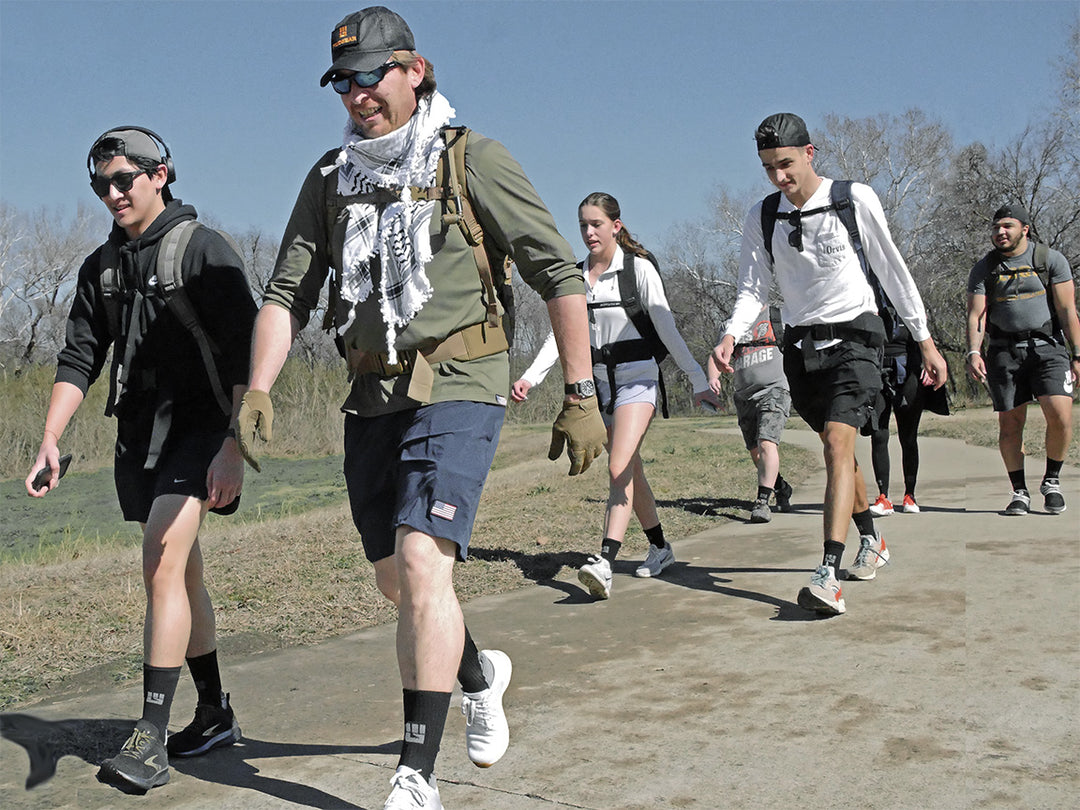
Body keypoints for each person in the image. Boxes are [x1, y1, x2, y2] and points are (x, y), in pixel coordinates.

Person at [236, 8, 605, 808]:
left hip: (461, 382)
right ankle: (480, 671)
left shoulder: (472, 158)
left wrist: (580, 393)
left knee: (420, 560)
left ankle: (415, 776)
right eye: (343, 81)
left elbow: (558, 273)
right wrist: (258, 386)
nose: (357, 94)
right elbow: (285, 294)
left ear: (415, 69)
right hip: (371, 395)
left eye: (371, 75)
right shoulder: (332, 178)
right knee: (395, 583)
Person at [25, 127, 255, 790]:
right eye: (101, 184)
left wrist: (236, 446)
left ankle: (149, 737)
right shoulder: (101, 265)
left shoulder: (204, 251)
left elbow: (248, 356)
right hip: (139, 434)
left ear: (161, 175)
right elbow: (79, 356)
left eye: (124, 178)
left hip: (203, 429)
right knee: (179, 575)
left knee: (160, 558)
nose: (113, 193)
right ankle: (214, 712)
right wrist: (50, 436)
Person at [711, 113, 947, 616]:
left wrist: (925, 341)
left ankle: (826, 575)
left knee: (839, 443)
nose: (780, 177)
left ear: (810, 153)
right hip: (801, 349)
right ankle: (873, 540)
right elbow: (753, 288)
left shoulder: (852, 199)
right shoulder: (764, 215)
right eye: (769, 168)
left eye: (787, 164)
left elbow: (893, 270)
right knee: (836, 449)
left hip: (857, 338)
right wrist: (731, 334)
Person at [511, 193, 719, 600]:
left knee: (618, 465)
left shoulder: (637, 270)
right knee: (630, 471)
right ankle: (660, 547)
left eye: (596, 225)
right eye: (583, 225)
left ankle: (604, 561)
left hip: (639, 379)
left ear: (616, 226)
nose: (589, 232)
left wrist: (696, 378)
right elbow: (563, 338)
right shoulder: (575, 277)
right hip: (599, 386)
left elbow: (666, 328)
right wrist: (531, 377)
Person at [965, 202, 1080, 516]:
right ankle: (1019, 491)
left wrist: (1078, 354)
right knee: (1010, 425)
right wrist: (974, 351)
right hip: (1003, 351)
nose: (1000, 232)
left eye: (1007, 226)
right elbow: (977, 314)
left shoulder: (1049, 260)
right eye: (996, 227)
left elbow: (1068, 310)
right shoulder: (984, 268)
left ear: (1024, 229)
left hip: (1048, 347)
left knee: (1060, 415)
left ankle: (1052, 481)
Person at [706, 305, 794, 524]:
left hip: (775, 389)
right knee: (756, 451)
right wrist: (712, 378)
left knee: (766, 443)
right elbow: (717, 356)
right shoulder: (730, 325)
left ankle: (762, 502)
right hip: (744, 395)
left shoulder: (779, 316)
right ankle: (781, 487)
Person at [867, 322, 949, 516]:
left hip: (908, 373)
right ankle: (883, 497)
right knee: (878, 435)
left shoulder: (909, 307)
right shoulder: (868, 302)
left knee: (908, 438)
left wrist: (927, 364)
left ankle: (910, 495)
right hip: (877, 372)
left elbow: (924, 339)